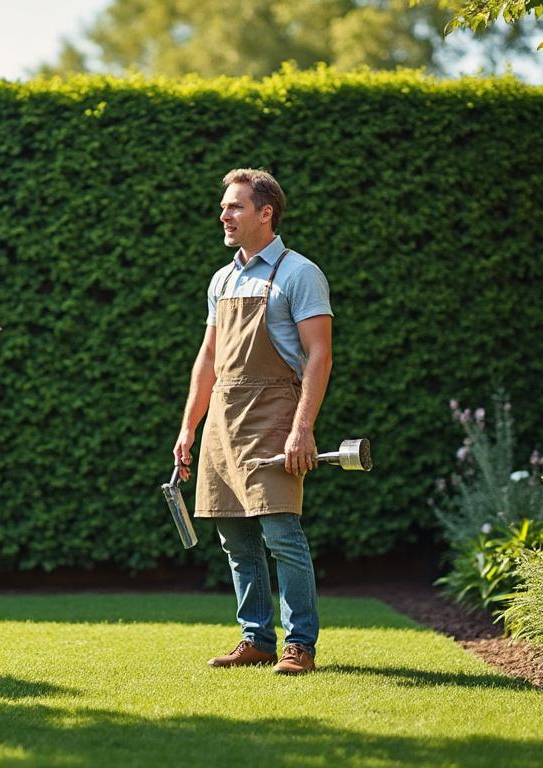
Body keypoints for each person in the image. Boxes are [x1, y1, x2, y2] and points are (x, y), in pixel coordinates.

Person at [172, 168, 333, 676]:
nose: (224, 214)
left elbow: (320, 355)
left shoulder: (299, 272)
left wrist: (302, 428)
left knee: (282, 534)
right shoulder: (222, 278)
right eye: (225, 206)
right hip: (224, 416)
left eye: (235, 206)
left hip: (274, 414)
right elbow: (209, 358)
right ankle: (257, 639)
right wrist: (189, 426)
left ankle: (300, 644)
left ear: (266, 213)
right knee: (235, 540)